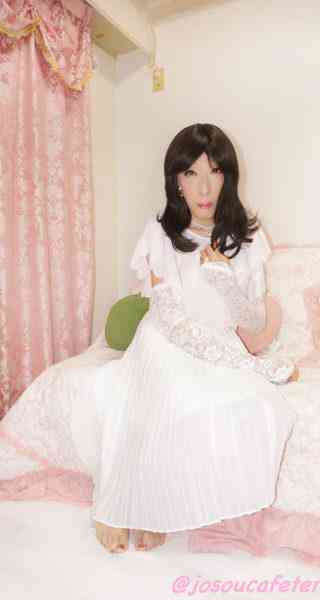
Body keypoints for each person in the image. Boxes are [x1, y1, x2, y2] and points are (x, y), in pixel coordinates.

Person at [0, 123, 298, 555]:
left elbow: (251, 319)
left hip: (219, 341)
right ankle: (115, 503)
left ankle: (155, 506)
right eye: (191, 173)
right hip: (166, 336)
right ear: (176, 180)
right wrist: (245, 363)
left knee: (260, 405)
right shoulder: (159, 234)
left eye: (214, 172)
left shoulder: (248, 238)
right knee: (162, 378)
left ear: (228, 177)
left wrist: (223, 278)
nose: (204, 187)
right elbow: (170, 316)